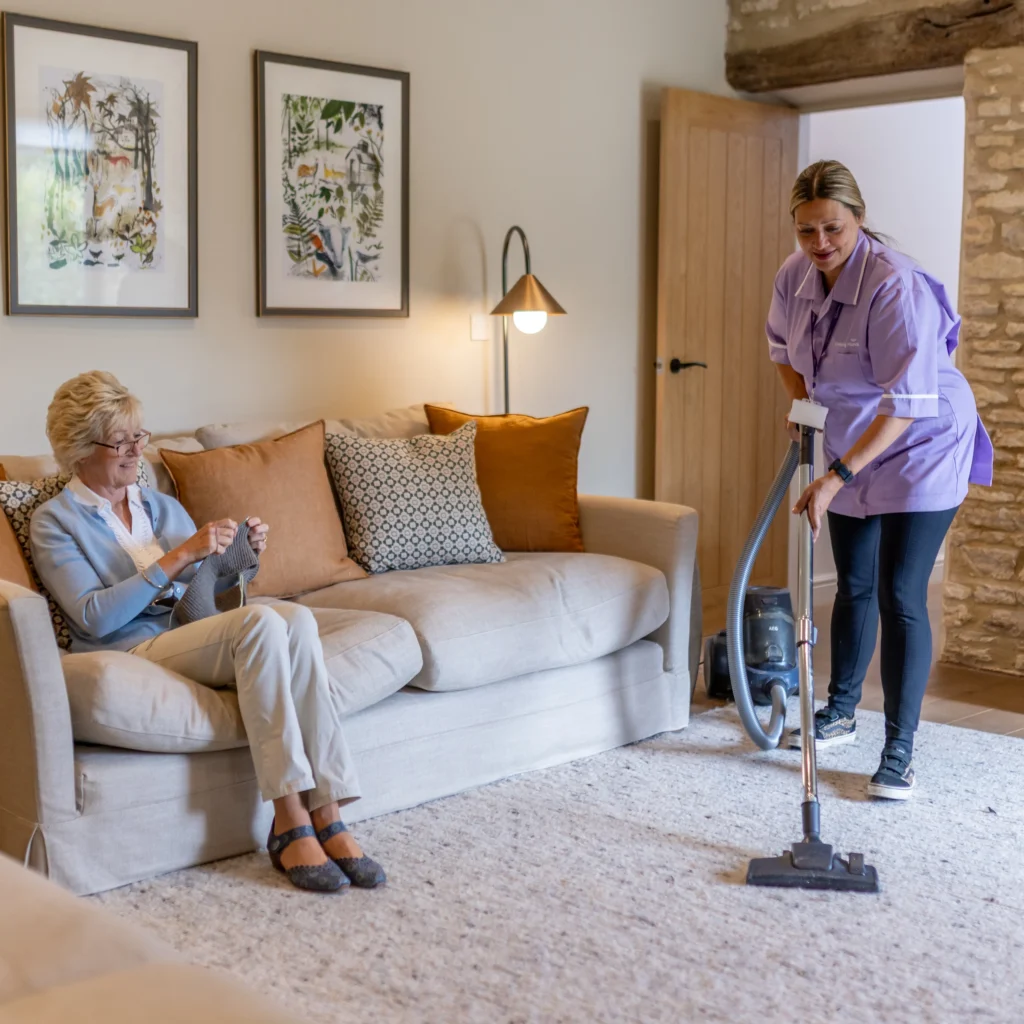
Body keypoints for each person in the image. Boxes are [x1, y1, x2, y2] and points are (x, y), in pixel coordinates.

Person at [30, 371, 385, 891]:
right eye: (120, 440)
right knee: (264, 621)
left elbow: (210, 594)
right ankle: (288, 815)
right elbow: (93, 616)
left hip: (194, 633)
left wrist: (244, 556)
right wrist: (181, 555)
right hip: (132, 648)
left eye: (139, 436)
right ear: (80, 450)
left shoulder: (159, 506)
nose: (135, 450)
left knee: (297, 618)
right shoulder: (55, 521)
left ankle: (327, 811)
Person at [765, 160, 993, 800]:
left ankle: (899, 751)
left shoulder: (895, 285)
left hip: (921, 434)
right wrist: (805, 408)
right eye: (806, 230)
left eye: (833, 228)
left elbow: (907, 401)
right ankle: (840, 712)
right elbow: (785, 355)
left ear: (858, 219)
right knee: (854, 582)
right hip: (852, 430)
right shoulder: (795, 277)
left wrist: (837, 474)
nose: (820, 244)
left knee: (898, 589)